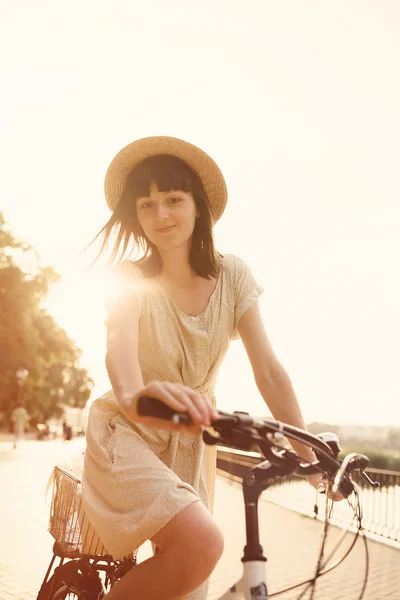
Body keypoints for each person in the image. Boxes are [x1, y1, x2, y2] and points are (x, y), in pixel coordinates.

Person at [82, 136, 327, 600]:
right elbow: (120, 355)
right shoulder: (126, 279)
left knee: (187, 586)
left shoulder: (232, 276)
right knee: (203, 543)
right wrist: (139, 398)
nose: (162, 216)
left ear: (199, 205)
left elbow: (269, 371)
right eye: (147, 204)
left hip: (193, 441)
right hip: (129, 434)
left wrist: (312, 459)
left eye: (174, 199)